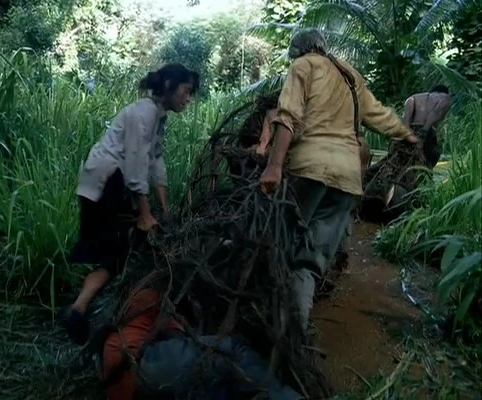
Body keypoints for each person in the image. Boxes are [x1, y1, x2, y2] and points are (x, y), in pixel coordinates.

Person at [258, 29, 418, 330]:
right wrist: (406, 133)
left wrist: (274, 166)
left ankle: (269, 324)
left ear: (298, 51)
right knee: (309, 263)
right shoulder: (349, 74)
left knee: (282, 248)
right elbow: (377, 114)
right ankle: (294, 334)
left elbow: (288, 117)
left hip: (309, 169)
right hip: (347, 178)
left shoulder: (302, 66)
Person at [63, 64, 200, 345]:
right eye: (186, 91)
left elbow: (156, 162)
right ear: (169, 86)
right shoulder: (144, 113)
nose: (188, 99)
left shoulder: (157, 116)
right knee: (118, 250)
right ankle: (89, 312)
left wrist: (165, 210)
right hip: (106, 183)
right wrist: (146, 215)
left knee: (116, 254)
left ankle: (80, 310)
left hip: (109, 182)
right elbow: (136, 166)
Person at [98, 287, 303, 400]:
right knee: (231, 350)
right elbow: (178, 338)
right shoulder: (147, 296)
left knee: (215, 387)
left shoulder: (115, 341)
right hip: (146, 364)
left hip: (143, 388)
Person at [402, 85, 452, 168]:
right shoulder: (445, 97)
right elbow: (436, 112)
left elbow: (407, 115)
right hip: (427, 129)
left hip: (410, 130)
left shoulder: (414, 97)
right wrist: (425, 129)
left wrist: (406, 131)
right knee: (428, 160)